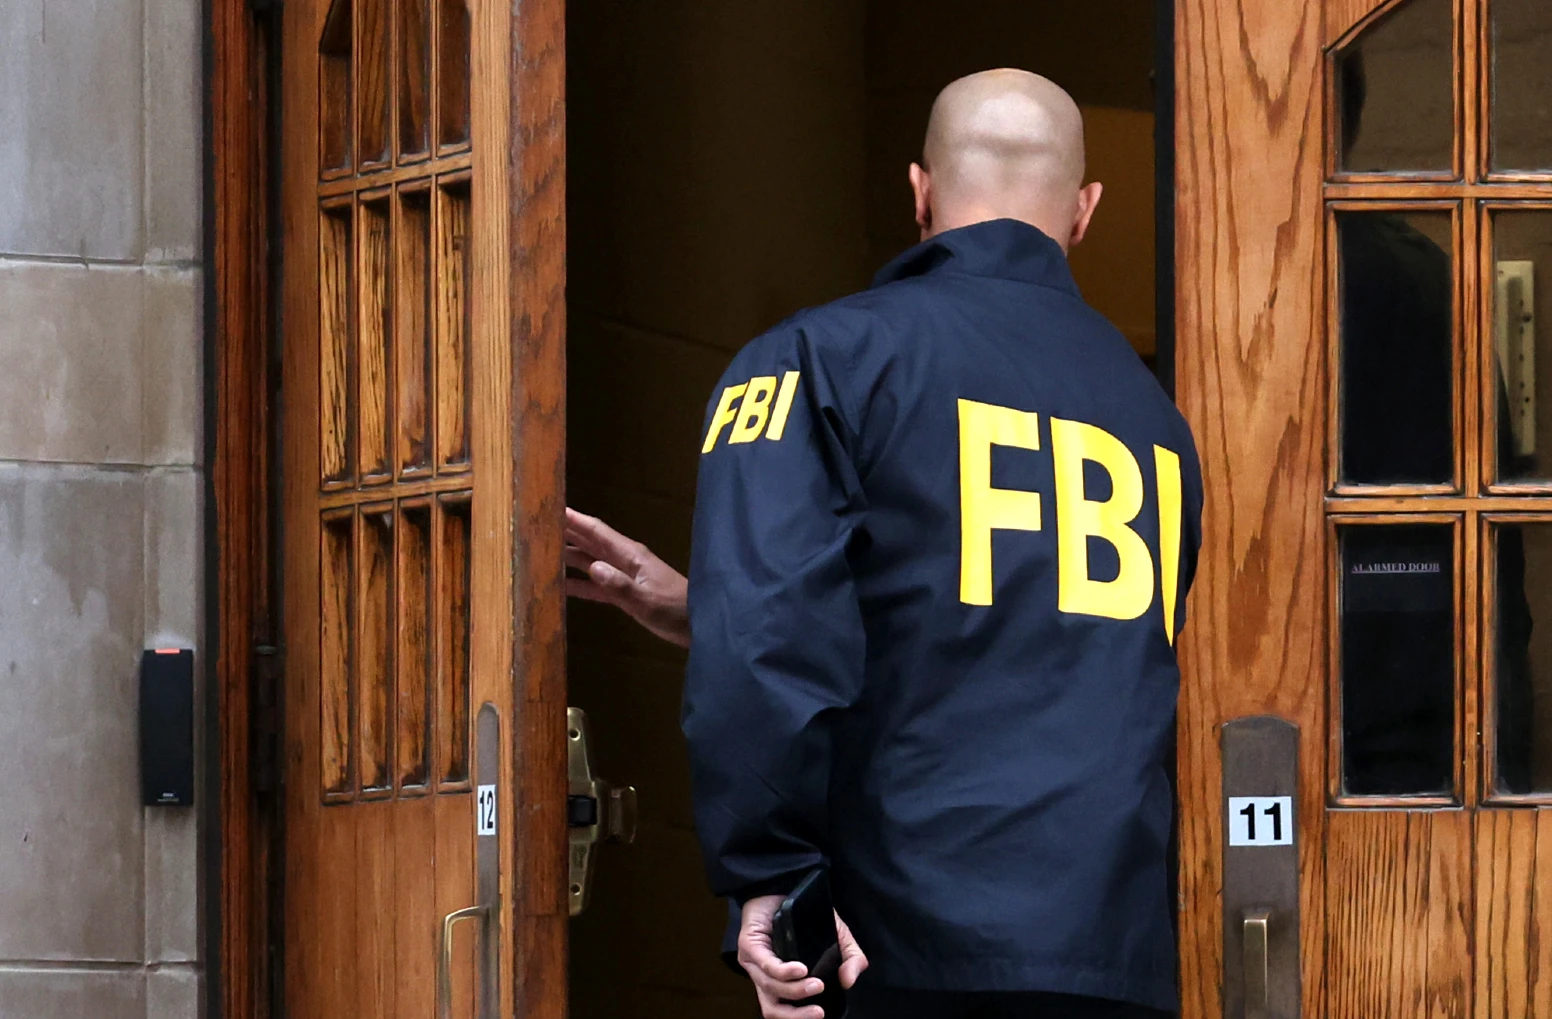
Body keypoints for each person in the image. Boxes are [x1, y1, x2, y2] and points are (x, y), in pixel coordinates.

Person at [569, 69, 1203, 1019]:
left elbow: (775, 639)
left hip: (900, 948)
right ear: (1084, 211)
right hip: (1115, 959)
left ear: (919, 192)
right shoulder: (1155, 422)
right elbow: (1035, 641)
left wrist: (772, 877)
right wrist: (706, 611)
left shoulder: (821, 360)